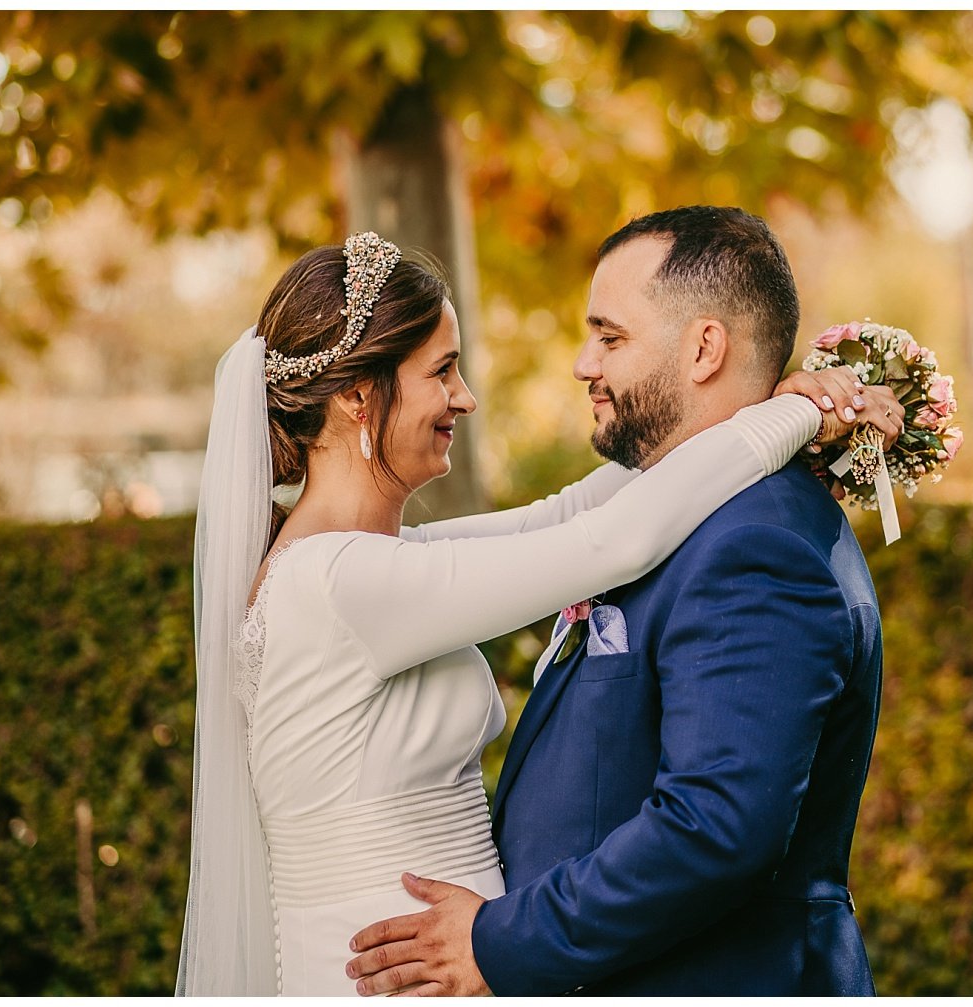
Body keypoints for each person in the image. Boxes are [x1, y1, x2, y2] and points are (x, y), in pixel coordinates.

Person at [176, 229, 900, 995]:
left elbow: (572, 511)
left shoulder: (363, 564)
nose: (466, 396)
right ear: (358, 396)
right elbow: (606, 540)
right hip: (391, 970)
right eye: (443, 371)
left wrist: (770, 403)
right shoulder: (338, 582)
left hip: (437, 959)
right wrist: (793, 419)